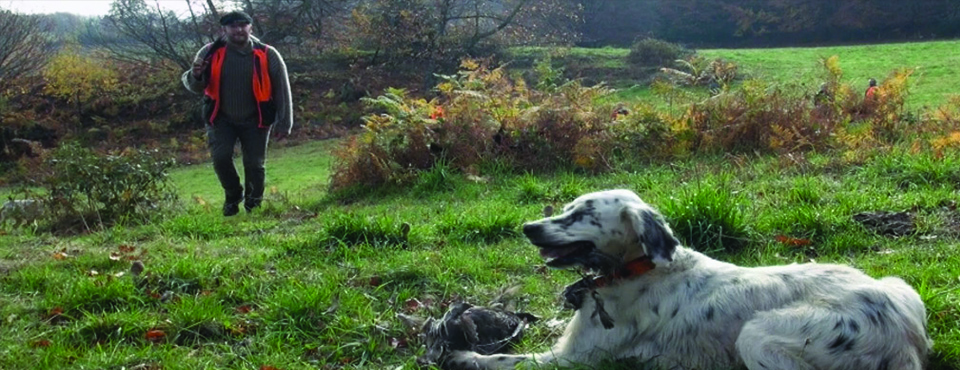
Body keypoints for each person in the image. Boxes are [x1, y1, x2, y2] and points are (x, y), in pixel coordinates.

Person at [182, 11, 293, 216]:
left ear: (251, 27)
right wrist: (195, 75)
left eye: (243, 25)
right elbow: (195, 86)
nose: (239, 30)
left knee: (255, 165)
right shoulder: (209, 51)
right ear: (224, 29)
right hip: (220, 117)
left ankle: (254, 205)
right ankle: (233, 195)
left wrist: (284, 122)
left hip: (257, 118)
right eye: (233, 26)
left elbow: (282, 89)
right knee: (221, 159)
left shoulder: (268, 54)